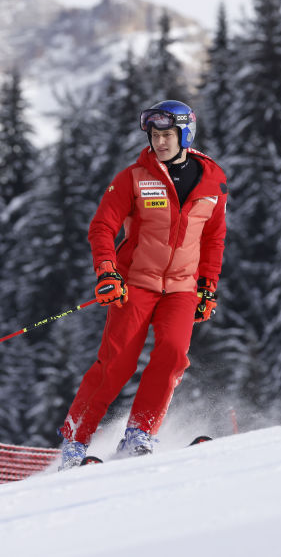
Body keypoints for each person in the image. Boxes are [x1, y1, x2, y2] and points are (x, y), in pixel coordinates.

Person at [58, 100, 227, 469]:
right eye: (154, 135)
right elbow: (102, 226)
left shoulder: (213, 183)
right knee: (116, 363)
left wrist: (207, 287)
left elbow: (214, 239)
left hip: (182, 289)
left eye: (167, 134)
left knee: (171, 355)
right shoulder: (134, 177)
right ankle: (75, 442)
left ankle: (140, 434)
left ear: (185, 135)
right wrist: (107, 271)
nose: (160, 142)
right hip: (134, 283)